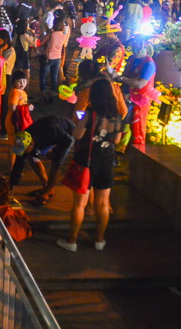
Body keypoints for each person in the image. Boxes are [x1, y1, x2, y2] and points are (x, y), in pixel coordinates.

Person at [57, 79, 125, 252]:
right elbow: (117, 140)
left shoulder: (91, 112)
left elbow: (77, 135)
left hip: (87, 162)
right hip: (107, 161)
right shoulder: (116, 115)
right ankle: (99, 240)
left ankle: (72, 241)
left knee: (80, 204)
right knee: (103, 203)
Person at [10, 115, 76, 206]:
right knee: (31, 157)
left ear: (31, 144)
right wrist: (12, 187)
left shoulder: (49, 131)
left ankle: (48, 192)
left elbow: (68, 140)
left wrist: (55, 152)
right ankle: (46, 186)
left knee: (56, 163)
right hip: (47, 136)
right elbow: (19, 163)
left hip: (67, 134)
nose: (23, 152)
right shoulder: (24, 137)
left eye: (24, 149)